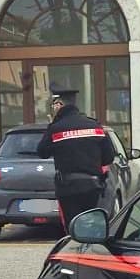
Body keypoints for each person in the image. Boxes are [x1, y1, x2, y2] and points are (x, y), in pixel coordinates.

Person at [37, 89, 115, 231]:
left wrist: (51, 126)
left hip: (68, 187)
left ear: (59, 105)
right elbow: (109, 156)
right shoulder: (94, 125)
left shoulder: (56, 128)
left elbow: (42, 152)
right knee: (90, 225)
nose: (53, 108)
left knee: (73, 226)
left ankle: (75, 250)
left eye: (53, 105)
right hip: (93, 186)